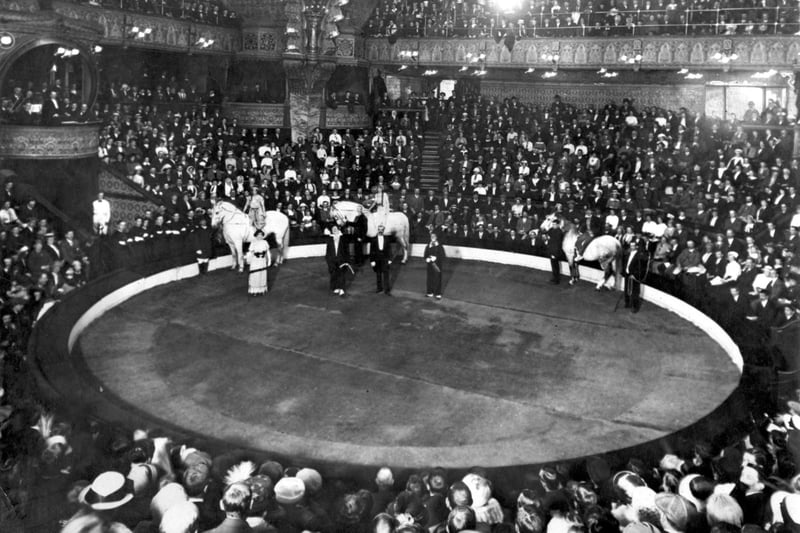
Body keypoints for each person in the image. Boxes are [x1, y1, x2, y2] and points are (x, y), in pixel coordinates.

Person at [623, 239, 649, 313]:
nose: (631, 247)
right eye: (630, 245)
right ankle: (627, 303)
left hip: (634, 276)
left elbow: (640, 267)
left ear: (636, 246)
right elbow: (626, 262)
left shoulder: (639, 255)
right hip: (627, 274)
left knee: (635, 292)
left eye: (633, 246)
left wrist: (635, 275)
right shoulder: (628, 253)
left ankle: (635, 307)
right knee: (627, 289)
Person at [325, 225, 349, 297]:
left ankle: (342, 289)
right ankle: (336, 287)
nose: (334, 230)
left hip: (341, 260)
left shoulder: (343, 239)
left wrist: (346, 261)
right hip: (332, 260)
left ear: (338, 229)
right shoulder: (329, 239)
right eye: (333, 229)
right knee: (334, 274)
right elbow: (328, 252)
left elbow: (346, 251)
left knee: (341, 274)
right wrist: (329, 261)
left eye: (335, 228)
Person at [245, 230, 270, 296]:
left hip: (262, 261)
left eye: (261, 235)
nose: (260, 236)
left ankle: (262, 290)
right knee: (255, 275)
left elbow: (268, 252)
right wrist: (248, 260)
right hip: (255, 261)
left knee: (262, 275)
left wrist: (269, 261)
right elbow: (250, 253)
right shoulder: (253, 243)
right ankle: (254, 291)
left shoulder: (265, 242)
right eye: (258, 235)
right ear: (256, 236)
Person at [370, 225, 392, 295]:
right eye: (379, 229)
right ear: (377, 230)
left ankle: (387, 290)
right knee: (378, 274)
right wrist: (372, 261)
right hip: (377, 259)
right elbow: (371, 251)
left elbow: (389, 249)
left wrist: (390, 259)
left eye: (382, 229)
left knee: (386, 274)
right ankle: (379, 288)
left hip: (385, 258)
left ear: (383, 230)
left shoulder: (387, 239)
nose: (380, 231)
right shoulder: (373, 239)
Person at [424, 232, 445, 299]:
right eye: (431, 236)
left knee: (437, 279)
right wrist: (426, 258)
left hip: (437, 265)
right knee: (429, 278)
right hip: (430, 264)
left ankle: (437, 294)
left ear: (436, 237)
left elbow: (443, 256)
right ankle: (430, 292)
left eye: (434, 236)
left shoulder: (439, 246)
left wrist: (436, 258)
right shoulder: (428, 245)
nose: (432, 237)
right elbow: (425, 254)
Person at [546, 217, 564, 284]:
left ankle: (557, 280)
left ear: (558, 225)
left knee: (555, 266)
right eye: (553, 224)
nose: (553, 225)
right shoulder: (552, 230)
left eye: (555, 224)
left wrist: (554, 254)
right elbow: (548, 231)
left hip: (555, 252)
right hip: (551, 250)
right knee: (553, 265)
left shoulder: (559, 232)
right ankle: (554, 277)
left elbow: (557, 244)